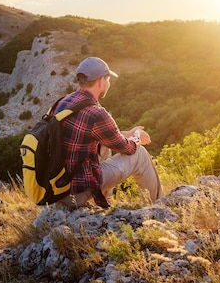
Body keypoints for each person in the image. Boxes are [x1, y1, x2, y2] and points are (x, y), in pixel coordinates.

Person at [55, 56, 165, 209]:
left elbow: (106, 136)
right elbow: (129, 149)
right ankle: (160, 207)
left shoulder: (64, 102)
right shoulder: (95, 113)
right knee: (140, 154)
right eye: (108, 79)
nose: (108, 83)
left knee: (105, 145)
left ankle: (105, 205)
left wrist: (128, 133)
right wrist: (137, 135)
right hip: (76, 192)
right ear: (101, 81)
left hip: (58, 186)